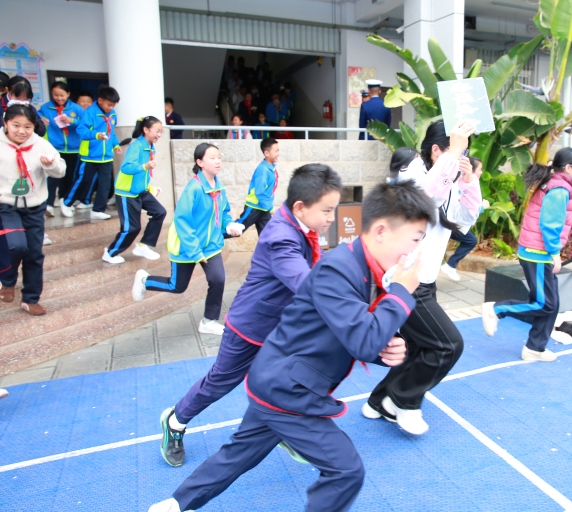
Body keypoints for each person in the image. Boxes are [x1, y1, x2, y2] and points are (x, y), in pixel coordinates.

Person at [148, 180, 435, 512]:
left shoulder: (365, 268)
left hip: (279, 378)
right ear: (382, 231)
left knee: (238, 454)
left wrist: (386, 350)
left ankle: (174, 505)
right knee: (345, 471)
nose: (415, 252)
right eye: (415, 239)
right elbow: (362, 337)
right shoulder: (340, 268)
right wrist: (400, 294)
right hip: (287, 388)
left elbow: (357, 334)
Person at [157, 164, 342, 467]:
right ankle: (175, 422)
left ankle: (282, 428)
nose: (331, 218)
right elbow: (305, 283)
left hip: (280, 329)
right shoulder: (282, 236)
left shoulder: (303, 225)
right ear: (300, 206)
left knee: (290, 379)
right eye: (327, 210)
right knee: (219, 383)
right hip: (251, 327)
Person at [364, 119, 481, 435]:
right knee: (448, 345)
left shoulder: (449, 181)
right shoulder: (413, 175)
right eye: (457, 151)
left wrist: (469, 180)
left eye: (464, 152)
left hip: (423, 281)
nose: (461, 158)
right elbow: (426, 200)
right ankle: (404, 400)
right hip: (403, 281)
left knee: (417, 346)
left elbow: (465, 218)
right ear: (437, 151)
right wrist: (454, 155)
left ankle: (378, 401)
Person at [482, 148, 572, 362]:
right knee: (544, 304)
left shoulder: (562, 185)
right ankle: (497, 309)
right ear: (569, 168)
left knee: (551, 304)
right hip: (537, 253)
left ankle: (534, 348)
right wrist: (555, 253)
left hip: (538, 252)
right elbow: (550, 225)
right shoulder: (559, 189)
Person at [132, 143, 243, 336]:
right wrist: (195, 252)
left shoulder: (219, 187)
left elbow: (223, 212)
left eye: (218, 157)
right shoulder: (193, 189)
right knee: (177, 286)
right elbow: (182, 222)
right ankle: (145, 280)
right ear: (200, 162)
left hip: (211, 245)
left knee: (218, 279)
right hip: (186, 247)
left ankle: (208, 321)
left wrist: (229, 225)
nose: (217, 161)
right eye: (212, 158)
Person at [0, 105, 66, 316]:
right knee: (16, 245)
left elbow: (61, 170)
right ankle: (8, 280)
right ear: (6, 123)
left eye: (27, 127)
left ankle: (30, 298)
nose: (22, 131)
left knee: (34, 253)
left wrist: (50, 165)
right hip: (5, 206)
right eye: (16, 125)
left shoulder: (41, 145)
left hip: (34, 207)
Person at [102, 116, 167, 265]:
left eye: (161, 132)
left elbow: (144, 174)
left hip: (140, 191)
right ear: (146, 130)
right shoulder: (136, 146)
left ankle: (143, 246)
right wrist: (144, 166)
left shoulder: (150, 146)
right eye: (157, 131)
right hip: (126, 193)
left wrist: (150, 188)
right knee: (132, 228)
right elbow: (126, 168)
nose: (159, 134)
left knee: (160, 212)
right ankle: (110, 253)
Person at [60, 86, 122, 220]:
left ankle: (98, 210)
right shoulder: (90, 113)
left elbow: (111, 132)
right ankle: (66, 202)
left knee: (105, 185)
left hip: (106, 157)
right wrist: (96, 135)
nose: (111, 107)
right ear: (100, 100)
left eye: (113, 105)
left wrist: (116, 145)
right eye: (109, 104)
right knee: (83, 180)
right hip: (89, 155)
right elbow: (81, 130)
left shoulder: (112, 114)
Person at [37, 82, 84, 217]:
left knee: (69, 177)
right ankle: (49, 204)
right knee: (53, 176)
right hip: (55, 147)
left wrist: (72, 121)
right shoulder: (46, 108)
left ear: (68, 94)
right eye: (55, 95)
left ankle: (65, 202)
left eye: (62, 95)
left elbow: (86, 123)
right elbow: (35, 117)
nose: (59, 98)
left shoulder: (76, 108)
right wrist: (40, 120)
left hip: (73, 149)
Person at [440, 157, 484, 282]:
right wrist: (482, 207)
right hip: (451, 223)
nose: (481, 172)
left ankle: (450, 265)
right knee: (470, 240)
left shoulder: (469, 185)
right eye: (480, 169)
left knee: (470, 240)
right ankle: (450, 265)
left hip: (453, 222)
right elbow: (463, 213)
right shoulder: (458, 185)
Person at [233, 137, 279, 235]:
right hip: (254, 208)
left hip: (264, 209)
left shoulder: (271, 168)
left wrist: (268, 208)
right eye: (276, 151)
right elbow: (260, 192)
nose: (278, 153)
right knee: (235, 230)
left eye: (278, 150)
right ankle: (213, 236)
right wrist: (271, 209)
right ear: (266, 153)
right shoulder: (263, 170)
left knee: (268, 237)